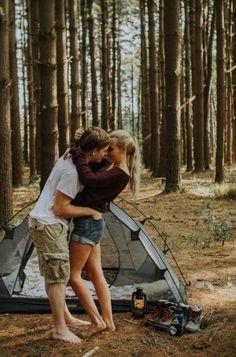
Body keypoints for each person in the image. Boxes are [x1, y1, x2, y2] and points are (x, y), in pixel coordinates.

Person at [28, 127, 110, 344]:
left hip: (44, 223)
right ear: (93, 151)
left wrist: (76, 141)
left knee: (54, 275)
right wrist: (90, 211)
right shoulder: (73, 172)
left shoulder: (72, 155)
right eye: (104, 151)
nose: (105, 155)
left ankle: (66, 318)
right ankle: (60, 329)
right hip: (49, 224)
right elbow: (60, 208)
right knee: (58, 278)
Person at [68, 129, 141, 338]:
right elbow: (93, 159)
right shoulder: (112, 166)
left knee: (73, 277)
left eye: (111, 149)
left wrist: (77, 153)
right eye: (106, 149)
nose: (107, 152)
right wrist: (80, 143)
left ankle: (97, 321)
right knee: (95, 272)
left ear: (124, 150)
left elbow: (89, 179)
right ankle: (108, 322)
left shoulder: (120, 174)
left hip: (88, 225)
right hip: (91, 223)